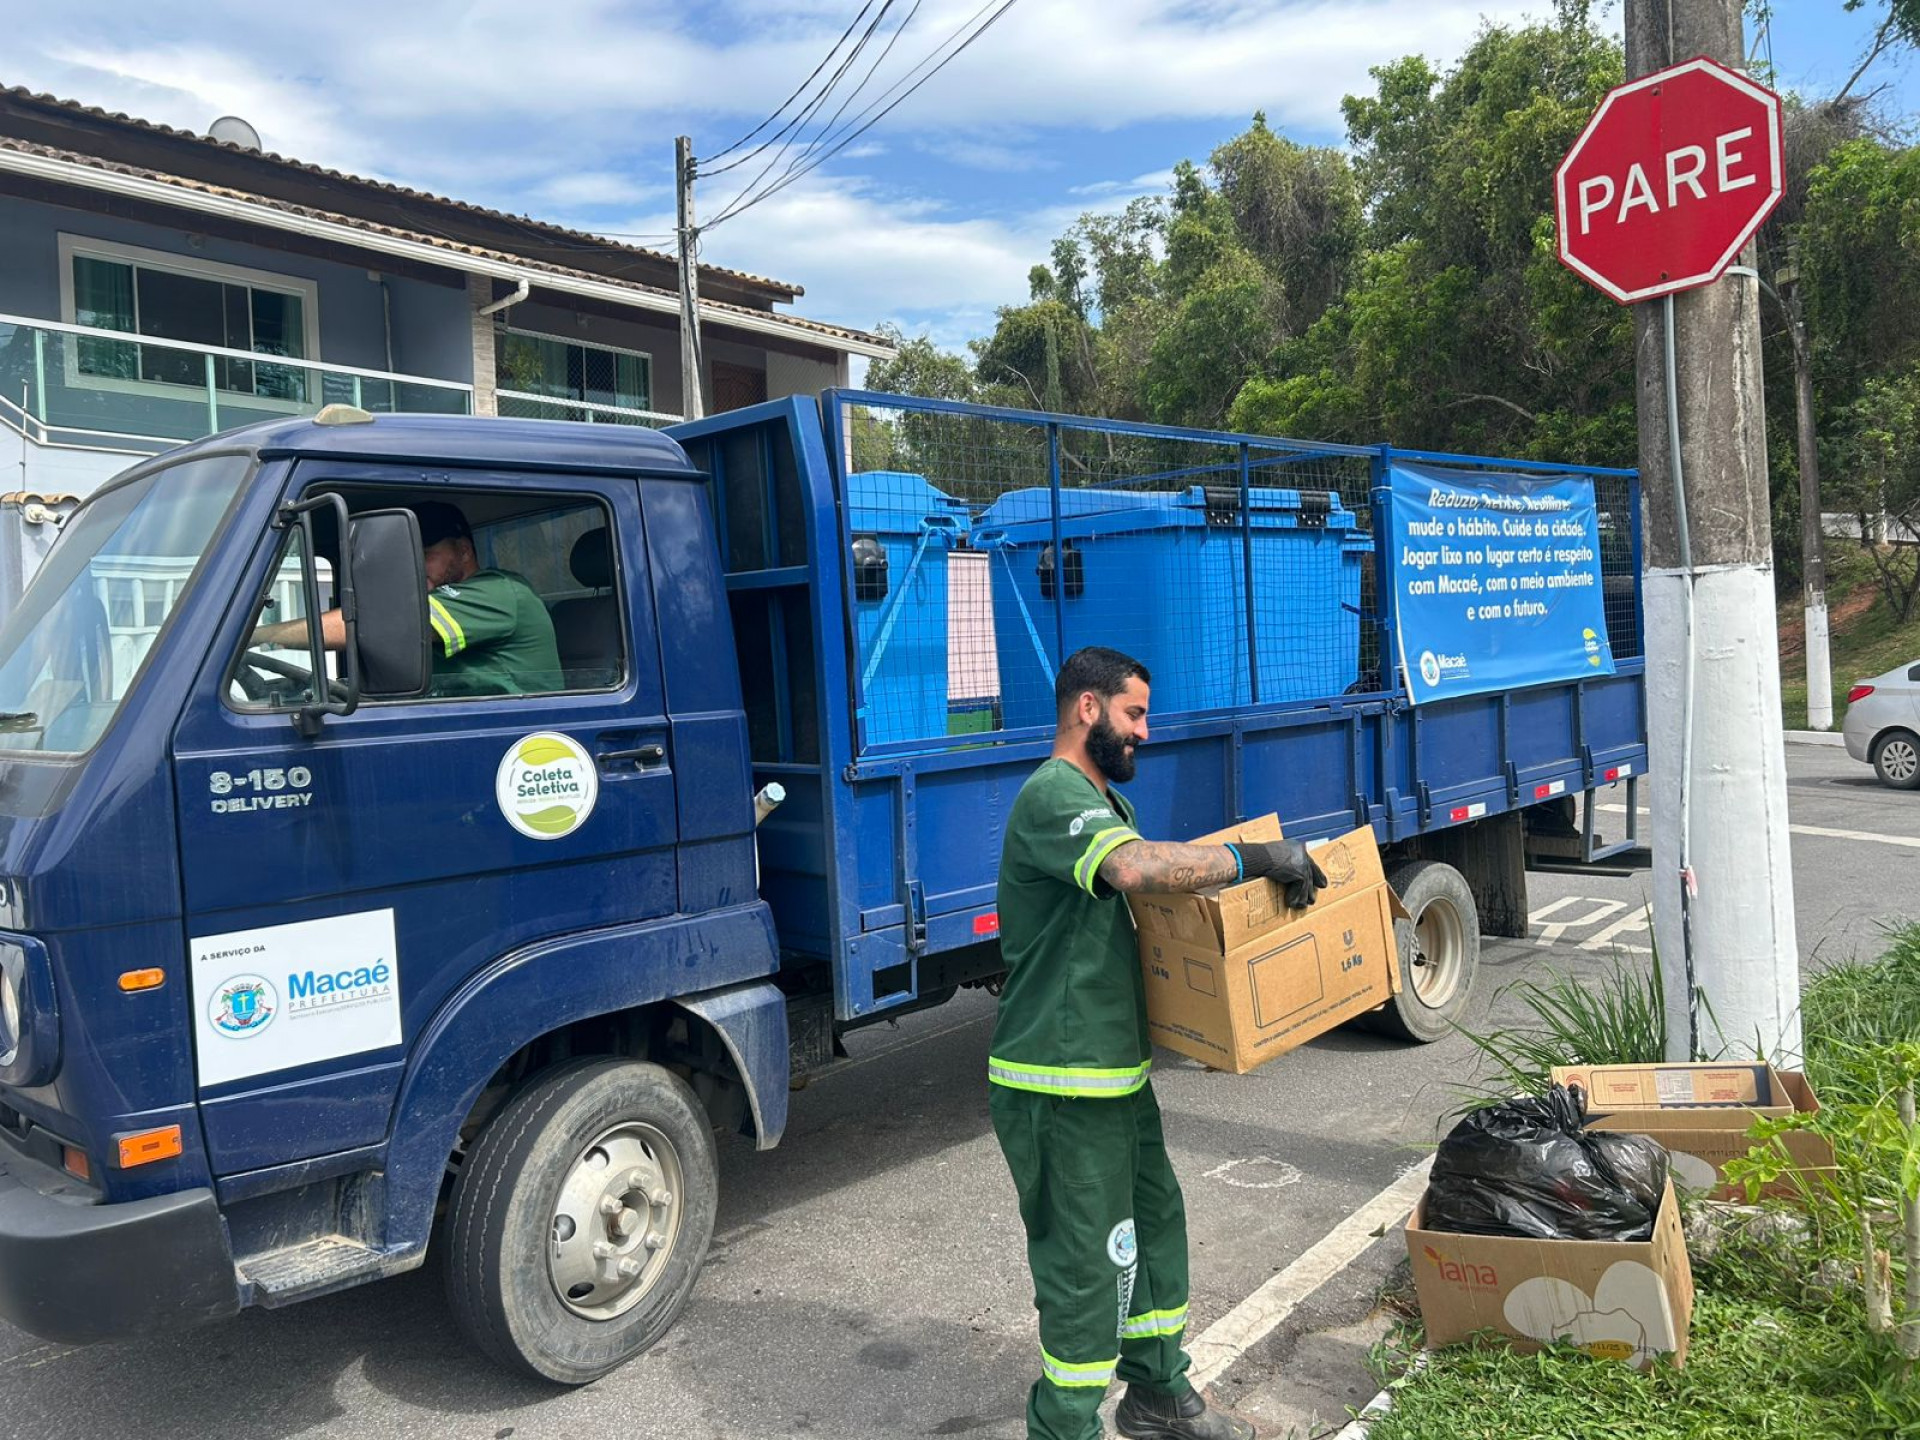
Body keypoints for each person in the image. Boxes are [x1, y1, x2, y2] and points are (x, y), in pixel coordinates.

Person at [989, 646, 1327, 1440]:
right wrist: (1255, 858)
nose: (1146, 729)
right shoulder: (1053, 796)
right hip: (1059, 1082)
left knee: (1152, 1230)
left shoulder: (1106, 802)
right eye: (1134, 713)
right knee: (1086, 1268)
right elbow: (1136, 873)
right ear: (1087, 710)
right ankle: (1065, 1427)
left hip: (1114, 1076)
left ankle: (1158, 1395)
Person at [252, 500, 562, 697]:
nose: (416, 565)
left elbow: (385, 626)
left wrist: (260, 635)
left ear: (464, 551)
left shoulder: (502, 592)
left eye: (427, 554)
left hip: (514, 739)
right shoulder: (443, 599)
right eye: (411, 555)